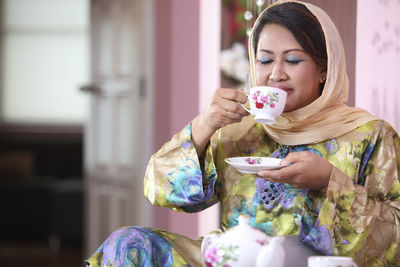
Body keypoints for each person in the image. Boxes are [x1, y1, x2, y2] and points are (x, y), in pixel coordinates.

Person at [86, 1, 400, 266]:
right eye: (264, 60)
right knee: (129, 244)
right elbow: (159, 191)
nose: (275, 74)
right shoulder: (239, 131)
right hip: (235, 259)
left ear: (324, 69)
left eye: (292, 60)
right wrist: (204, 124)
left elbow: (396, 241)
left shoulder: (368, 135)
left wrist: (331, 181)